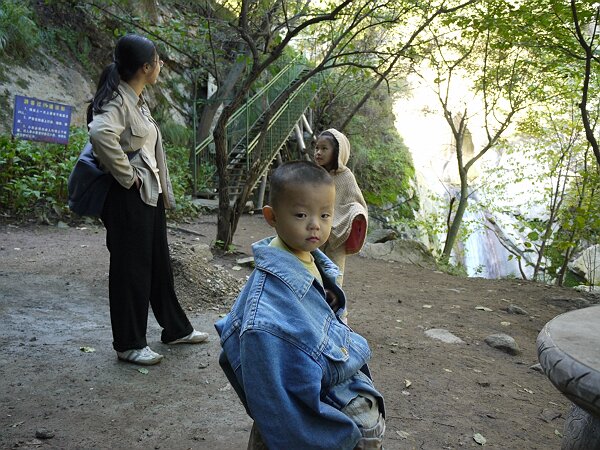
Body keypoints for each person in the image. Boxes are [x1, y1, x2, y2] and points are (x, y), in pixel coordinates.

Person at [215, 161, 385, 449]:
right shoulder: (263, 312)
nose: (315, 225)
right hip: (296, 411)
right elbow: (273, 400)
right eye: (301, 214)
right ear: (272, 216)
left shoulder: (310, 259)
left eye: (325, 215)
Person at [87, 33, 208, 366]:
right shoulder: (118, 102)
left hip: (147, 197)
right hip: (129, 198)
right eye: (158, 61)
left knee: (157, 264)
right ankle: (128, 343)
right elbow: (99, 132)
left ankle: (175, 329)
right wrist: (127, 176)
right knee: (131, 268)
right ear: (144, 67)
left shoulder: (136, 98)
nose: (161, 66)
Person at [314, 128, 368, 289]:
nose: (318, 152)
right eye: (317, 148)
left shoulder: (346, 177)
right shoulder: (314, 174)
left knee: (333, 276)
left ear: (337, 152)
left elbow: (356, 204)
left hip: (337, 237)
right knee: (312, 272)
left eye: (324, 149)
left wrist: (355, 215)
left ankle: (336, 313)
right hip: (315, 231)